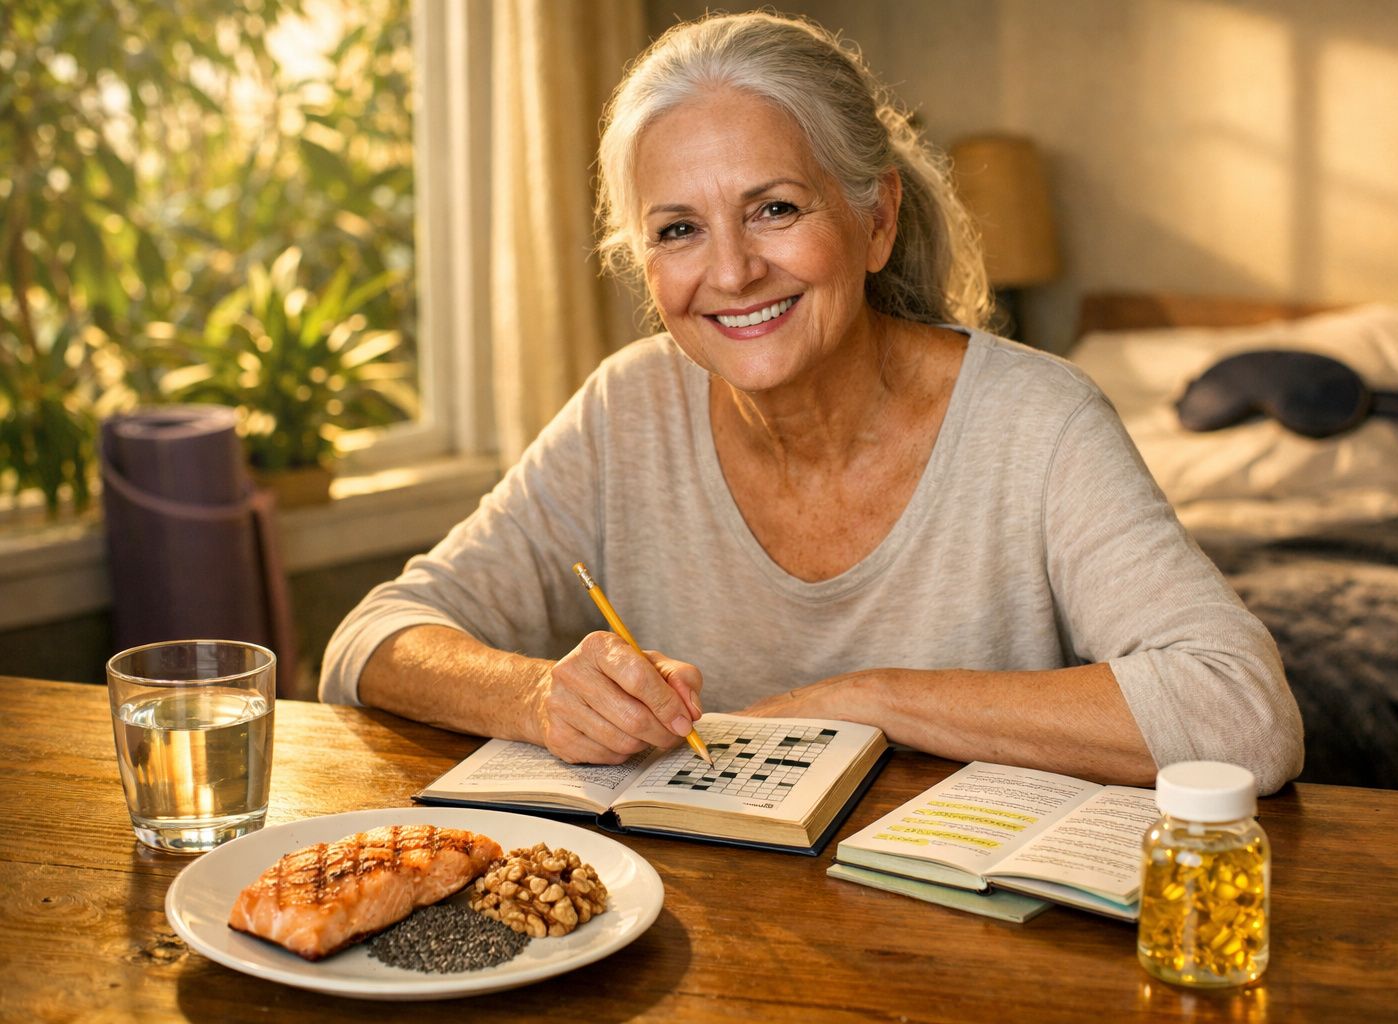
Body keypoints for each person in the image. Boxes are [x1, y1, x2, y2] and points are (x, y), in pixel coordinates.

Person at [320, 11, 1303, 794]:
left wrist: (865, 699)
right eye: (678, 230)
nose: (734, 271)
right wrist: (539, 694)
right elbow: (369, 641)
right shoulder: (627, 411)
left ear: (875, 220)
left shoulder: (1037, 422)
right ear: (643, 265)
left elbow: (1241, 714)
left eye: (775, 208)